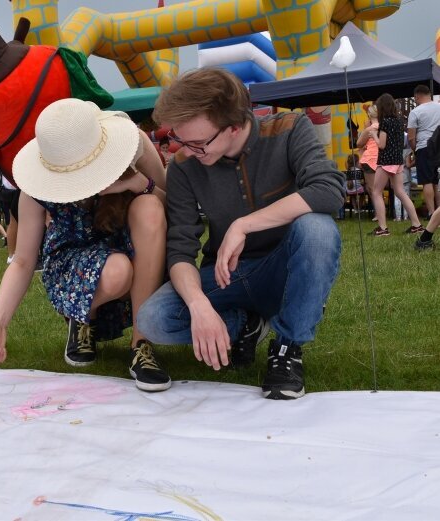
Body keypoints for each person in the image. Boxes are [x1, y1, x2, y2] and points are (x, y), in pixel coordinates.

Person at [136, 68, 345, 400]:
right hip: (225, 277)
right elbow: (180, 249)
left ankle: (287, 349)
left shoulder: (289, 129)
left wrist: (244, 224)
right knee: (152, 319)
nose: (188, 152)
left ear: (233, 127)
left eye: (197, 143)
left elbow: (329, 190)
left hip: (284, 271)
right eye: (181, 141)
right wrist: (199, 304)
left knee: (317, 229)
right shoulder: (182, 166)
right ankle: (243, 326)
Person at [0, 98, 171, 392]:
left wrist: (138, 185)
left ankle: (141, 344)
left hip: (136, 251)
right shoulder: (34, 191)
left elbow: (171, 205)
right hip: (76, 264)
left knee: (149, 208)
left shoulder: (135, 144)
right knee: (117, 269)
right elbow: (22, 261)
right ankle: (82, 316)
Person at [368, 93, 423, 236]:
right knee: (401, 192)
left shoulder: (385, 122)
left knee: (376, 192)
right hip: (398, 162)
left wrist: (373, 135)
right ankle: (417, 224)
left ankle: (383, 228)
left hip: (386, 161)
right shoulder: (399, 121)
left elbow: (382, 145)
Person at [407, 84, 440, 219]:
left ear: (417, 96)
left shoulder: (416, 112)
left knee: (427, 181)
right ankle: (439, 211)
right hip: (439, 146)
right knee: (437, 182)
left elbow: (411, 137)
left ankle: (432, 213)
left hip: (424, 147)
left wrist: (415, 149)